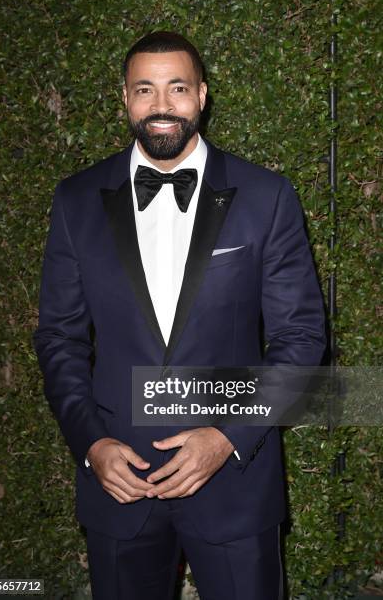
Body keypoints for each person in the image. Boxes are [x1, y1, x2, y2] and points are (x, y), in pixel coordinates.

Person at [33, 31, 326, 600]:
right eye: (145, 89)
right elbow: (59, 338)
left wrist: (226, 437)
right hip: (118, 484)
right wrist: (91, 444)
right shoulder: (75, 200)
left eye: (177, 88)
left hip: (236, 488)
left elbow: (302, 337)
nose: (161, 105)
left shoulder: (267, 196)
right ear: (125, 98)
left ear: (202, 96)